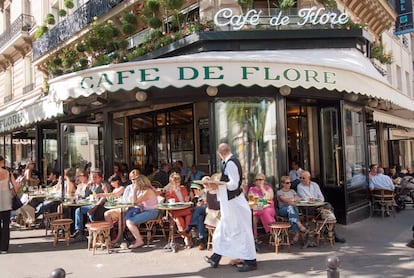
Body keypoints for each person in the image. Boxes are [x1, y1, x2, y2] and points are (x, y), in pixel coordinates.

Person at [204, 143, 257, 272]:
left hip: (234, 203)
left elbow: (233, 184)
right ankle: (215, 257)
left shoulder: (231, 163)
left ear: (220, 154)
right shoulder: (230, 162)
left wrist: (219, 184)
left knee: (240, 230)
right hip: (231, 202)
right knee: (224, 229)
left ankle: (251, 261)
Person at [297, 170, 346, 243]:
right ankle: (331, 232)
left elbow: (321, 198)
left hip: (319, 206)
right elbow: (305, 199)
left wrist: (314, 200)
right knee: (328, 210)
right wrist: (314, 200)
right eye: (300, 178)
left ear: (309, 178)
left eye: (303, 178)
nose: (301, 179)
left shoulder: (315, 185)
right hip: (308, 208)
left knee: (328, 207)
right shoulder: (300, 186)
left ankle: (329, 229)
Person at [125, 171, 159, 249]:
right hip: (150, 211)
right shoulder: (148, 190)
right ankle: (138, 238)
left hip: (151, 212)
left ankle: (139, 240)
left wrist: (134, 190)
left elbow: (134, 202)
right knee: (129, 216)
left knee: (129, 221)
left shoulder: (147, 191)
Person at [72, 171, 108, 241]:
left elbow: (104, 198)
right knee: (78, 210)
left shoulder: (104, 185)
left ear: (100, 178)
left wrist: (95, 207)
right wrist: (87, 187)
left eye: (95, 177)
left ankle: (95, 231)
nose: (93, 179)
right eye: (92, 177)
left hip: (100, 206)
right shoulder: (93, 186)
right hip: (91, 204)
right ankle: (79, 231)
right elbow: (85, 196)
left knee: (91, 212)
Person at [276, 176, 308, 244]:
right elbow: (284, 200)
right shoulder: (279, 192)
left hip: (292, 210)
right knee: (291, 208)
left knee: (292, 211)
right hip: (283, 210)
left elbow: (298, 198)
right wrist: (293, 200)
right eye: (287, 183)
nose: (289, 184)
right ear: (283, 184)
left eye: (290, 183)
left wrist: (295, 199)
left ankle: (297, 233)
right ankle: (299, 224)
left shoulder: (292, 191)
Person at [165, 172, 193, 248]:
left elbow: (186, 198)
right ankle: (186, 238)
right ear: (171, 183)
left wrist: (187, 198)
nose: (178, 184)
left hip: (185, 209)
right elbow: (168, 200)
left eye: (178, 182)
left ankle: (186, 236)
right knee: (179, 220)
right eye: (175, 183)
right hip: (176, 211)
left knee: (188, 219)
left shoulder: (183, 188)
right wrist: (171, 200)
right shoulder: (169, 191)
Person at [0, 155, 20, 253]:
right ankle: (4, 247)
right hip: (6, 199)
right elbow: (15, 186)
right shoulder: (8, 172)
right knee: (6, 224)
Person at [247, 173, 275, 242]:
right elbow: (252, 201)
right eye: (256, 180)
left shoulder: (268, 188)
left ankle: (256, 236)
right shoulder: (252, 189)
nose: (258, 181)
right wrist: (264, 201)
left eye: (260, 179)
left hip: (268, 209)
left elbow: (269, 197)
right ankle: (273, 232)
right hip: (257, 208)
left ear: (264, 180)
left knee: (262, 211)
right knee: (255, 215)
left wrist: (262, 188)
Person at [183, 183, 207, 250]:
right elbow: (199, 200)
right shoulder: (202, 192)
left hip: (210, 210)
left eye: (207, 183)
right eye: (205, 184)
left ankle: (188, 228)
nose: (206, 185)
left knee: (197, 209)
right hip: (202, 210)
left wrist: (206, 202)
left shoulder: (213, 191)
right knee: (199, 218)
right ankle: (202, 241)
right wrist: (200, 203)